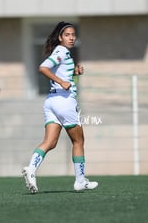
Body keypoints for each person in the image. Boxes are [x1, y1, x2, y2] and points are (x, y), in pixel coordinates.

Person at [21, 21, 98, 193]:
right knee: (78, 140)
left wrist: (73, 73)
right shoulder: (62, 51)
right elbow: (43, 67)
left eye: (73, 35)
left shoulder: (62, 53)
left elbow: (58, 71)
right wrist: (62, 81)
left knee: (50, 142)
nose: (71, 38)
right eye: (67, 35)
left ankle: (31, 168)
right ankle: (80, 181)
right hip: (64, 102)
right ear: (60, 37)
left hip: (51, 101)